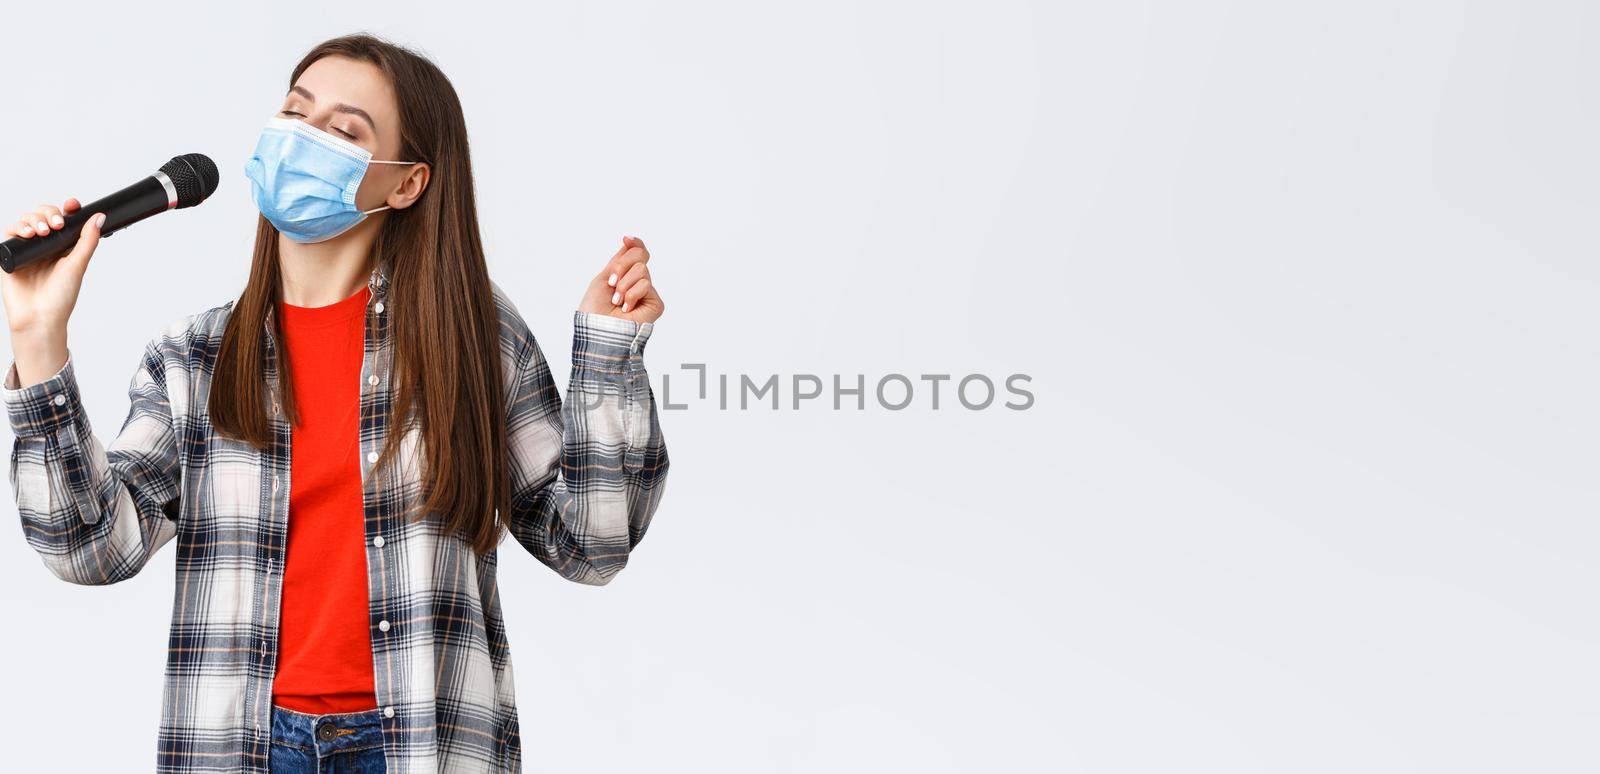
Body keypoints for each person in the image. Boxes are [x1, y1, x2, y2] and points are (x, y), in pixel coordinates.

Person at [0, 33, 669, 773]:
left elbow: (590, 545)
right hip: (241, 747)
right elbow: (89, 547)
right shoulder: (193, 358)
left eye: (344, 130)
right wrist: (38, 342)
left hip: (420, 745)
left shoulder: (472, 338)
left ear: (406, 183)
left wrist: (607, 356)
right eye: (294, 112)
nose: (302, 139)